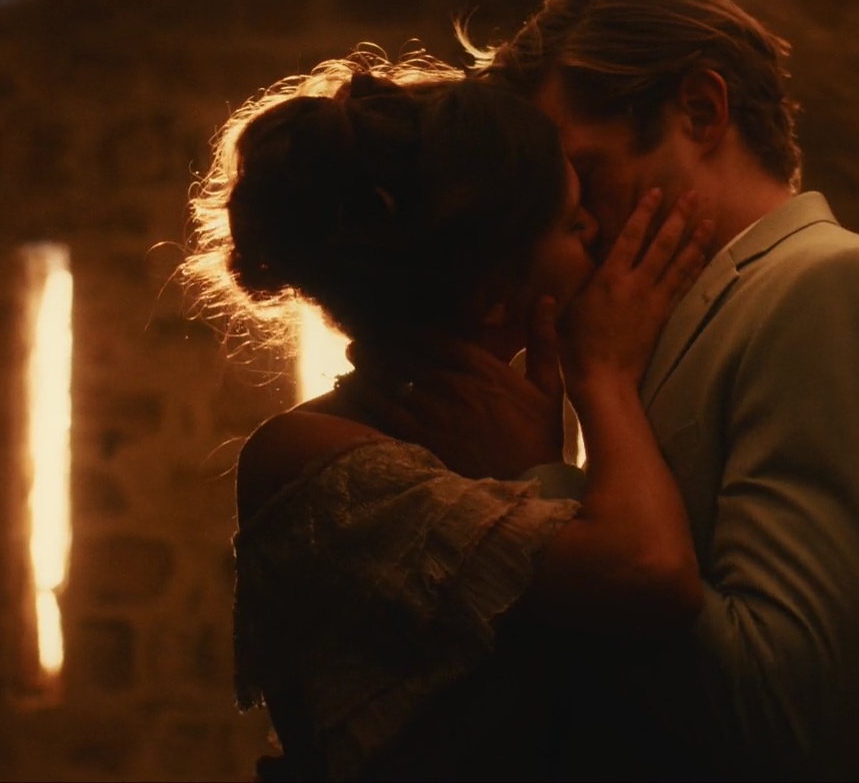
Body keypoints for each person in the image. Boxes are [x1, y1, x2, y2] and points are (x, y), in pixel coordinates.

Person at [428, 0, 859, 779]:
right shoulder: (653, 326)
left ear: (700, 110)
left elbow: (774, 706)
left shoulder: (836, 290)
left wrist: (540, 480)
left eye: (585, 173)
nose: (574, 220)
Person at [184, 53, 723, 781]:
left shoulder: (494, 422)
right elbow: (650, 575)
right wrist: (604, 377)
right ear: (492, 294)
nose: (598, 229)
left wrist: (533, 463)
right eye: (572, 223)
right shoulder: (309, 455)